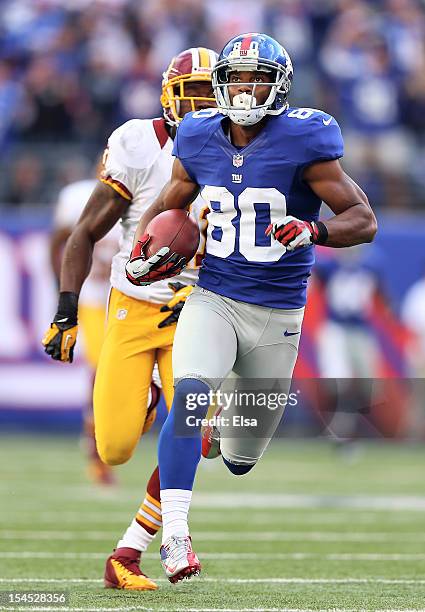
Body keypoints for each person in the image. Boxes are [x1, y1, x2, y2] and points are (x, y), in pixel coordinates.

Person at [127, 32, 377, 583]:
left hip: (278, 315)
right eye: (237, 77)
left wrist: (313, 229)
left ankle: (218, 436)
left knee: (240, 459)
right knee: (188, 396)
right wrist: (146, 253)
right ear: (221, 83)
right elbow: (168, 209)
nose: (245, 87)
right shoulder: (195, 136)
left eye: (257, 78)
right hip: (215, 297)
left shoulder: (305, 139)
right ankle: (174, 534)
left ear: (279, 85)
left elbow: (364, 220)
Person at [42, 47, 217, 590]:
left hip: (200, 307)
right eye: (191, 96)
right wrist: (66, 310)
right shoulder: (139, 144)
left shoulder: (246, 149)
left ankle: (130, 553)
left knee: (202, 433)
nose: (202, 108)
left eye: (212, 96)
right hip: (134, 302)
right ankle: (143, 403)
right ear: (167, 97)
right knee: (114, 448)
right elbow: (83, 232)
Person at [50, 175, 120, 485]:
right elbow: (58, 241)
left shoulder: (151, 188)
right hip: (94, 298)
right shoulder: (79, 196)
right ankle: (95, 444)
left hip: (128, 298)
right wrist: (65, 292)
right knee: (101, 371)